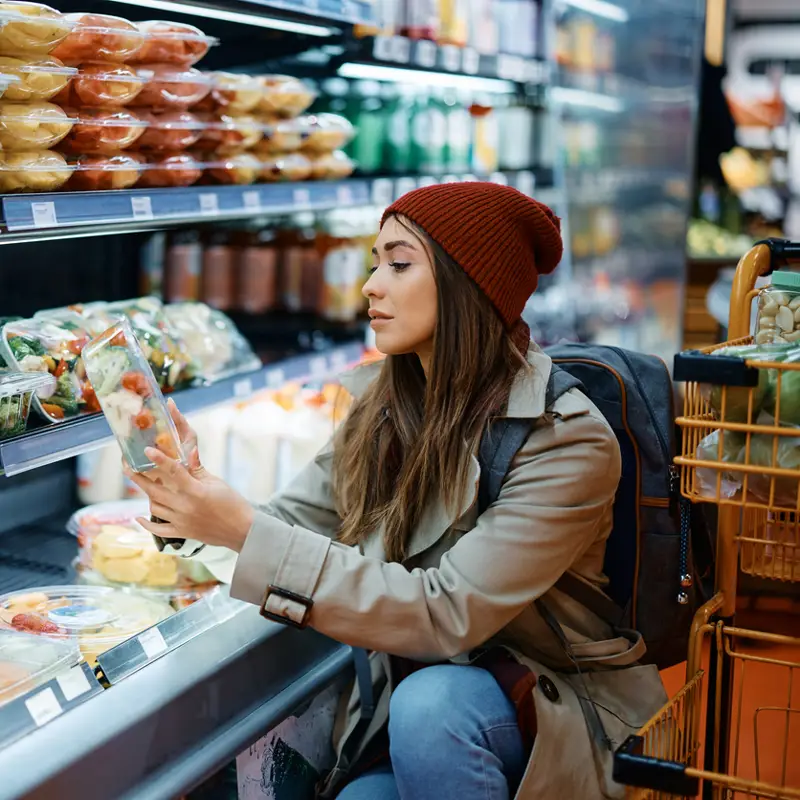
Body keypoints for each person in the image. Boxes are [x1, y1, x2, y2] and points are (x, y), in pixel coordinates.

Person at [128, 182, 655, 800]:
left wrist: (241, 529)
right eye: (376, 261)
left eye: (399, 264)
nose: (371, 285)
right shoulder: (383, 409)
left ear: (469, 284)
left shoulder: (563, 441)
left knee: (432, 709)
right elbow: (291, 527)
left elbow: (444, 612)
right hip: (405, 705)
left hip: (553, 710)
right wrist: (187, 500)